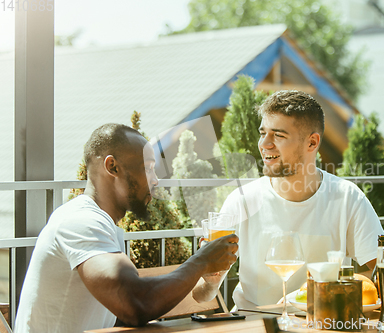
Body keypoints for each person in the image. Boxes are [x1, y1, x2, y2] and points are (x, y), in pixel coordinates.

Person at [14, 124, 238, 333]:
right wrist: (200, 261)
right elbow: (135, 303)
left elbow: (121, 312)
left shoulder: (102, 224)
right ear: (112, 167)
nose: (156, 180)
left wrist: (205, 278)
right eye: (148, 168)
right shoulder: (80, 221)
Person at [219, 90, 384, 309]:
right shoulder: (241, 200)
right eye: (263, 133)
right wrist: (207, 276)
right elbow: (203, 292)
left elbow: (381, 269)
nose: (264, 144)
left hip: (321, 324)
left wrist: (322, 297)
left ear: (312, 143)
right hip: (253, 323)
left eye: (278, 135)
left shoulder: (347, 198)